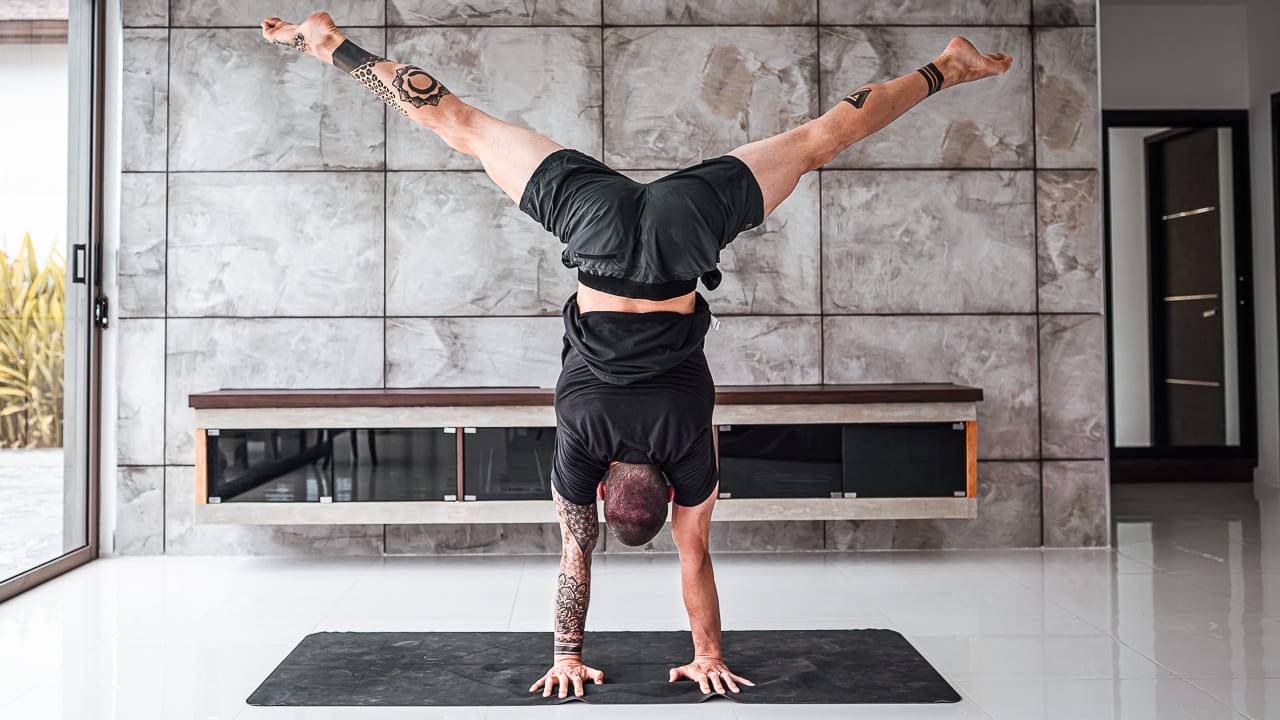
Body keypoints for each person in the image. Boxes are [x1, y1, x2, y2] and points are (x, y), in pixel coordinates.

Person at [260, 11, 1012, 700]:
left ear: (666, 493)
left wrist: (708, 653)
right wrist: (565, 655)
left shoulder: (689, 454)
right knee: (464, 126)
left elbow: (694, 560)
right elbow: (573, 564)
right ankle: (333, 44)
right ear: (602, 490)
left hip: (683, 237)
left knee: (820, 141)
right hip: (595, 234)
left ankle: (947, 66)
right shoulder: (582, 448)